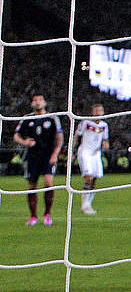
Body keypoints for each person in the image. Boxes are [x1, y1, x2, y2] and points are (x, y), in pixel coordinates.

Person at [14, 94, 63, 226]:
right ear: (32, 103)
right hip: (32, 157)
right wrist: (24, 142)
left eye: (40, 100)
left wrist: (55, 154)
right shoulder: (26, 118)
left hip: (47, 155)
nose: (37, 102)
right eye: (35, 100)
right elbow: (16, 136)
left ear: (44, 102)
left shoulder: (52, 118)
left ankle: (47, 214)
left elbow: (59, 139)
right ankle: (33, 217)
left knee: (48, 182)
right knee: (32, 186)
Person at [73, 103, 110, 215]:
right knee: (88, 178)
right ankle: (85, 205)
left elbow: (105, 139)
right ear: (92, 112)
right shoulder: (86, 122)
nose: (98, 113)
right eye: (96, 111)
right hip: (85, 152)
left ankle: (89, 204)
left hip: (96, 154)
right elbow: (76, 135)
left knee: (94, 180)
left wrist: (106, 144)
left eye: (100, 111)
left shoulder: (104, 125)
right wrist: (72, 149)